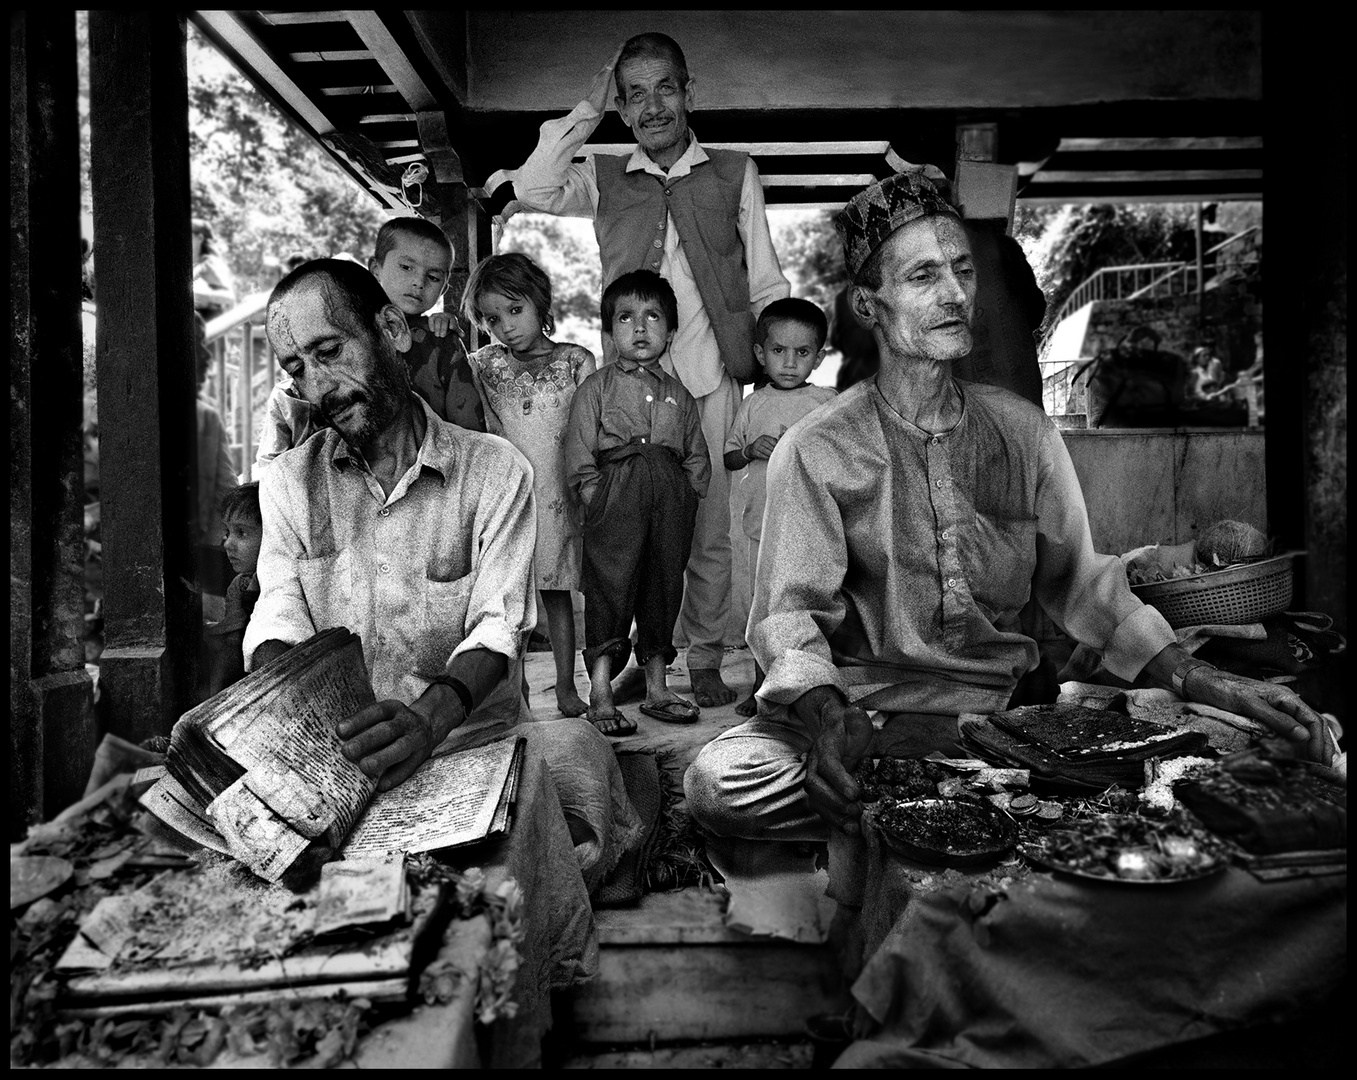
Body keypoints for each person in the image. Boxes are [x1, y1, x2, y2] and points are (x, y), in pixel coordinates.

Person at [684, 171, 1335, 850]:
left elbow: (1081, 582)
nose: (953, 294)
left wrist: (1205, 678)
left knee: (1230, 744)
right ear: (867, 305)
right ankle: (945, 803)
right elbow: (788, 619)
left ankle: (930, 807)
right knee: (719, 781)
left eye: (960, 270)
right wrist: (825, 717)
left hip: (994, 723)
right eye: (921, 276)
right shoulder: (815, 448)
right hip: (861, 717)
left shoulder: (1022, 432)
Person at [244, 257, 645, 896]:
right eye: (297, 369)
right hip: (340, 768)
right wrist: (302, 722)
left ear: (391, 330)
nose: (320, 385)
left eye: (329, 351)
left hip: (466, 752)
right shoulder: (290, 482)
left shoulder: (495, 471)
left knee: (576, 778)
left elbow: (498, 625)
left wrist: (428, 721)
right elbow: (278, 617)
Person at [505, 32, 791, 707]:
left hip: (711, 377)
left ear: (691, 92)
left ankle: (704, 659)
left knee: (708, 533)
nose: (652, 105)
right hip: (627, 399)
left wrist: (777, 370)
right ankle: (641, 659)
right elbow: (532, 185)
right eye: (634, 95)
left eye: (664, 87)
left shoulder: (733, 169)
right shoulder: (602, 174)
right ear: (622, 109)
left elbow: (766, 281)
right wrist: (586, 109)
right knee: (626, 540)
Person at [563, 270, 710, 736]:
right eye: (626, 318)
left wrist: (685, 495)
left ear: (670, 330)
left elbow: (696, 455)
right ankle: (601, 693)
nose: (640, 328)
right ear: (610, 331)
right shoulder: (597, 388)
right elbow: (579, 451)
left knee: (663, 588)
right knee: (611, 589)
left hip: (669, 504)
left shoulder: (680, 395)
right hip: (615, 498)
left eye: (653, 317)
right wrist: (598, 495)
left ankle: (657, 689)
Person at [462, 252, 597, 718]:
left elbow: (589, 429)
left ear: (541, 303)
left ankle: (565, 686)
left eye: (515, 311)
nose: (506, 327)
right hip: (507, 500)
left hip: (560, 495)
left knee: (558, 593)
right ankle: (513, 693)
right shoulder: (481, 366)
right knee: (508, 600)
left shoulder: (576, 360)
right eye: (493, 318)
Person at [253, 217, 484, 473]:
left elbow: (470, 426)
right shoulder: (334, 337)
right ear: (375, 269)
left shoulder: (440, 341)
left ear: (443, 289)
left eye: (432, 277)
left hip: (432, 468)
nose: (419, 282)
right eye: (406, 267)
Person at [723, 298, 837, 716]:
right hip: (762, 526)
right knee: (762, 606)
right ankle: (761, 685)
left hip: (812, 528)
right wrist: (753, 449)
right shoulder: (753, 404)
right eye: (778, 351)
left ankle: (814, 688)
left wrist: (803, 446)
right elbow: (729, 456)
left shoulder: (827, 402)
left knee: (808, 608)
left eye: (802, 353)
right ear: (760, 354)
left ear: (819, 357)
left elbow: (843, 459)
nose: (789, 363)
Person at [193, 313, 240, 597]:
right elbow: (227, 495)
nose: (206, 355)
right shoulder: (202, 419)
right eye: (196, 343)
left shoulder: (205, 418)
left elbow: (226, 496)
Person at [205, 482, 262, 695]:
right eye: (227, 532)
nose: (228, 543)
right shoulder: (240, 586)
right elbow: (230, 647)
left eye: (242, 533)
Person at [192, 218, 237, 320]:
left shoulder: (210, 262)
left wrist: (201, 297)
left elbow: (229, 298)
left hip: (208, 326)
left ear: (200, 238)